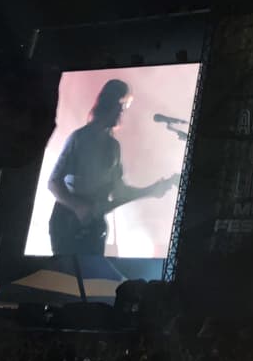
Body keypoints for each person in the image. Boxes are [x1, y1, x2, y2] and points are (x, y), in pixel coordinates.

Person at [47, 79, 175, 256]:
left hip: (94, 228)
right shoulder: (79, 138)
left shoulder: (113, 147)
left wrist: (151, 190)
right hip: (67, 225)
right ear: (109, 103)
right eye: (121, 105)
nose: (122, 111)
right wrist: (78, 207)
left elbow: (119, 192)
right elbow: (53, 182)